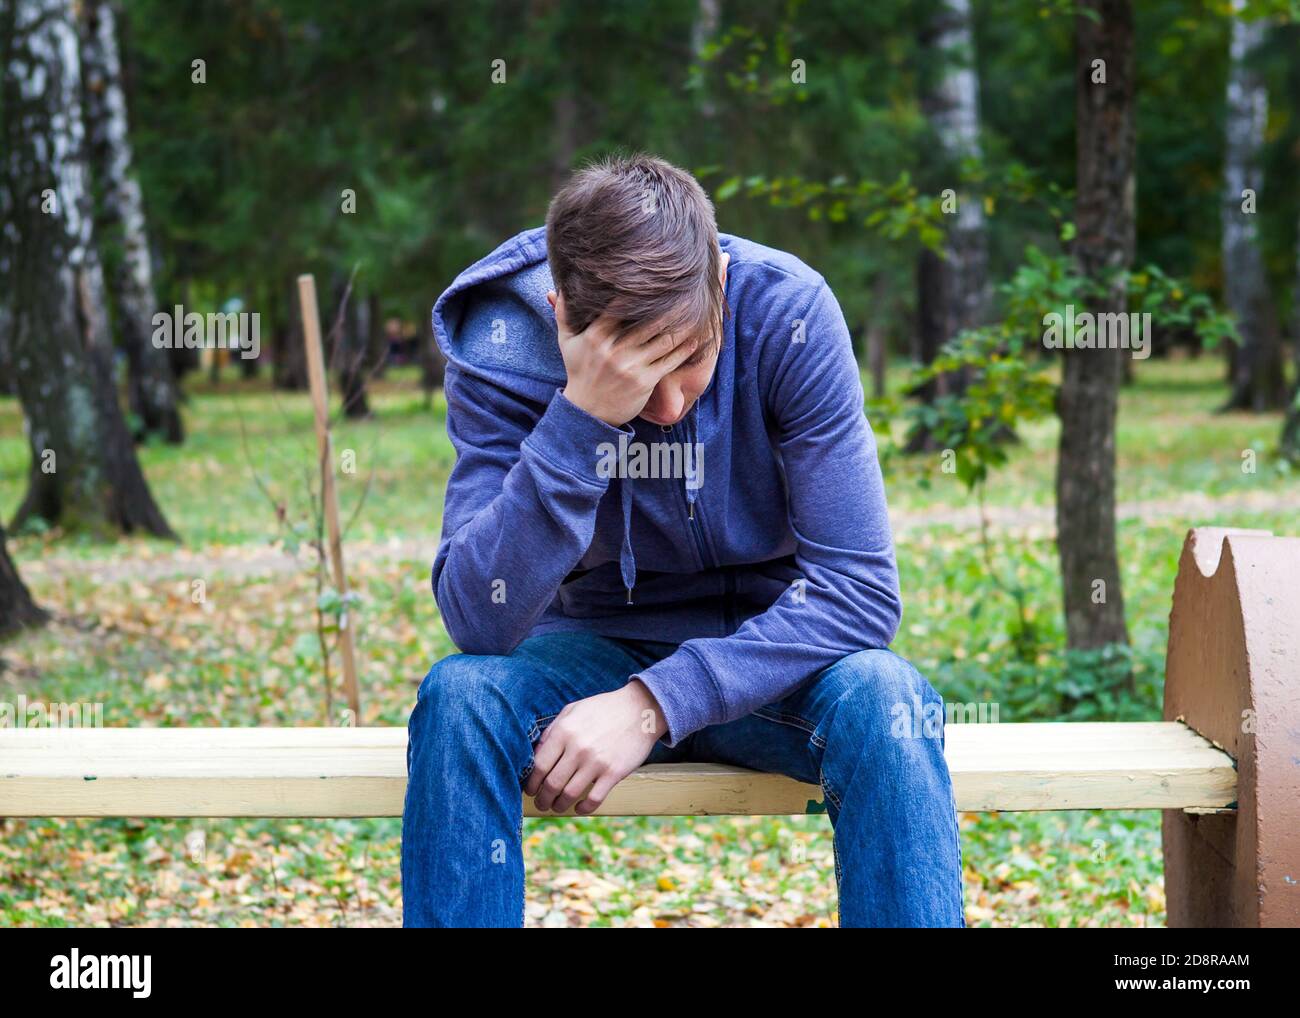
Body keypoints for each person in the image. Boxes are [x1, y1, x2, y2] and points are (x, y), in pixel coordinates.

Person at [402, 153, 964, 927]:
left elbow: (860, 593)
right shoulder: (502, 349)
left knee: (888, 699)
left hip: (776, 659)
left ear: (721, 293)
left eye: (691, 359)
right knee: (460, 699)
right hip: (591, 649)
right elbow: (479, 619)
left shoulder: (788, 314)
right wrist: (581, 418)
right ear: (561, 313)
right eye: (638, 375)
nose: (666, 407)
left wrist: (655, 705)